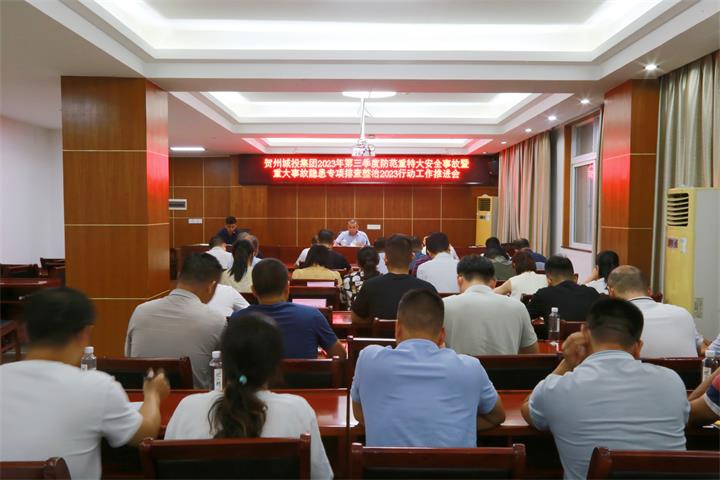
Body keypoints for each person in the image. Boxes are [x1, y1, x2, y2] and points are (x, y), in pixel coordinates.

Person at [1, 288, 170, 479]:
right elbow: (145, 434)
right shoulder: (96, 387)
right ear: (85, 334)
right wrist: (153, 395)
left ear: (24, 332)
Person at [521, 298, 689, 479]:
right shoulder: (672, 382)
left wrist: (567, 363)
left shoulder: (557, 388)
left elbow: (528, 408)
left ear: (584, 335)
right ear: (638, 347)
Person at [165, 313, 332, 479]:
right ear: (275, 365)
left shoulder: (187, 408)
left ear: (224, 360)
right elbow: (321, 476)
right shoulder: (297, 410)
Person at [351, 289, 505, 447]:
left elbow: (360, 414)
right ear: (442, 335)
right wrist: (463, 426)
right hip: (455, 464)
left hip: (383, 464)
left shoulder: (368, 360)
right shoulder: (470, 368)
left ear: (397, 329)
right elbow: (497, 416)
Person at [126, 253, 226, 389]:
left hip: (143, 399)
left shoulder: (140, 312)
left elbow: (129, 361)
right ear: (211, 286)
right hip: (195, 400)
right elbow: (222, 374)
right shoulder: (216, 320)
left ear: (179, 276)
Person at [231, 259, 346, 360]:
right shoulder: (312, 315)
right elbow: (340, 354)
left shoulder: (237, 320)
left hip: (255, 379)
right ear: (287, 288)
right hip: (303, 379)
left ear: (253, 291)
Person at [444, 255, 538, 355]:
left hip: (459, 366)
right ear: (493, 282)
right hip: (506, 365)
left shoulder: (444, 305)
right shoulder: (518, 307)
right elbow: (531, 352)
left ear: (459, 280)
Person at [607, 265, 700, 357]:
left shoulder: (612, 322)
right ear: (650, 291)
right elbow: (702, 349)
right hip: (686, 368)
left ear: (611, 292)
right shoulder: (683, 314)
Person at [351, 235, 437, 322]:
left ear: (385, 259)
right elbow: (435, 320)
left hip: (380, 331)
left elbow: (355, 319)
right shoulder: (427, 289)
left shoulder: (369, 286)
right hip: (414, 331)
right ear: (412, 257)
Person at [526, 255, 600, 338]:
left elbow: (523, 316)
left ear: (549, 280)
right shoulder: (592, 293)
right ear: (574, 276)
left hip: (555, 344)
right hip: (588, 344)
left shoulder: (543, 294)